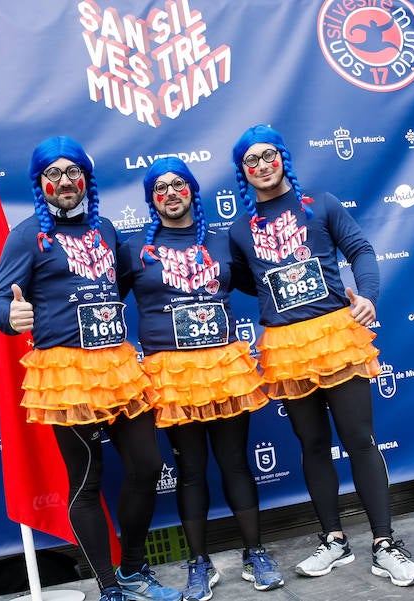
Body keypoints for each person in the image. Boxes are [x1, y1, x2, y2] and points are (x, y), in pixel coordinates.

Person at [227, 125, 414, 587]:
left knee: (359, 438)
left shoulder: (321, 203)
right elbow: (239, 277)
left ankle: (384, 545)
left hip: (336, 335)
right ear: (243, 172)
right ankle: (333, 541)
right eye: (250, 161)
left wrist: (369, 295)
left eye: (268, 156)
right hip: (285, 344)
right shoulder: (240, 230)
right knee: (312, 445)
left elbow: (360, 249)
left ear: (282, 158)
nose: (261, 166)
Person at [0, 136, 182, 601]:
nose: (64, 182)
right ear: (41, 184)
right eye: (52, 175)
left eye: (71, 171)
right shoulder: (27, 234)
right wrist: (10, 317)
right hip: (66, 372)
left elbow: (129, 283)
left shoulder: (107, 230)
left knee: (148, 465)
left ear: (86, 178)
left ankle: (133, 569)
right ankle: (110, 586)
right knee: (86, 481)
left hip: (116, 364)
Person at [117, 158, 284, 601]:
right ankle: (199, 563)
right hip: (172, 371)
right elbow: (100, 294)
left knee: (234, 463)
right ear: (152, 200)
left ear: (192, 190)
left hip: (225, 367)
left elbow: (261, 282)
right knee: (190, 472)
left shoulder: (222, 240)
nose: (171, 193)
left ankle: (255, 553)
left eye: (178, 185)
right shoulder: (135, 250)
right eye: (160, 189)